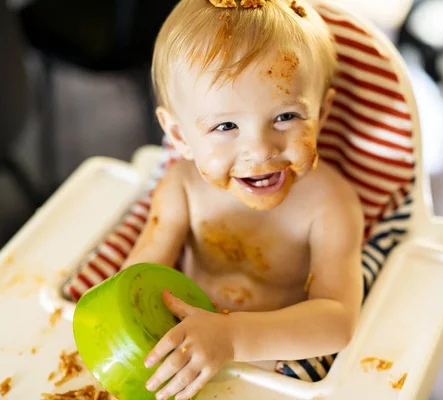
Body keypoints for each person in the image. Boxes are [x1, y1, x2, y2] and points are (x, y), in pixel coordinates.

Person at [122, 0, 363, 399]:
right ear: (180, 135)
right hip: (185, 361)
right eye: (226, 125)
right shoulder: (180, 189)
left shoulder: (330, 204)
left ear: (322, 113)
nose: (260, 149)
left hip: (274, 367)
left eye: (286, 116)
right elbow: (135, 282)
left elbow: (337, 321)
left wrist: (232, 337)